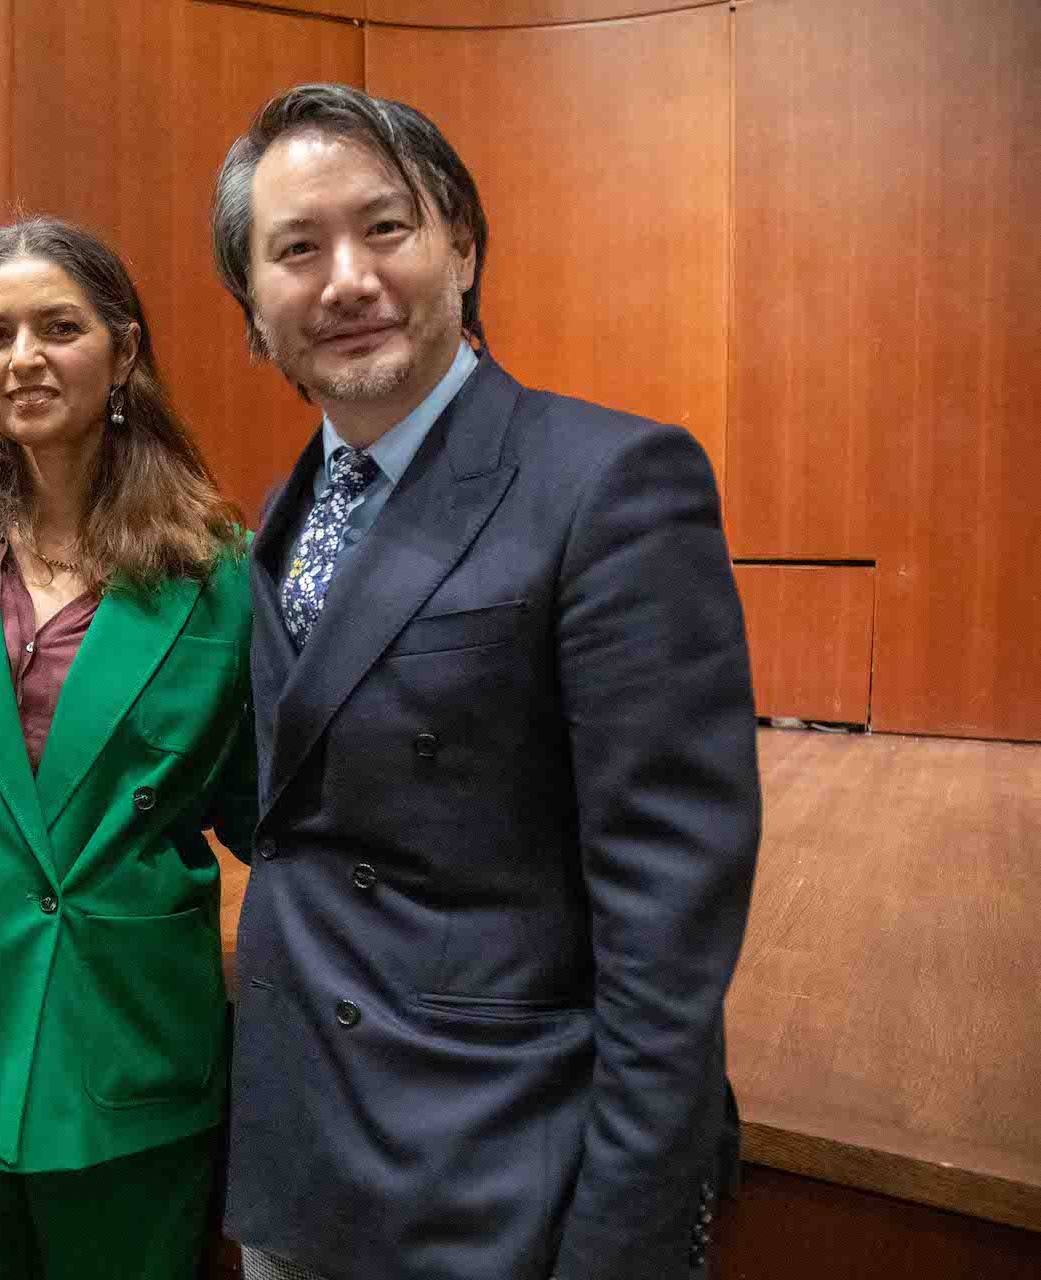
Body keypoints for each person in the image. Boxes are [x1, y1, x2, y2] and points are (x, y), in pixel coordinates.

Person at [209, 85, 760, 1280]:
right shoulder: (287, 508)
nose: (346, 279)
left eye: (386, 229)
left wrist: (629, 1236)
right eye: (296, 250)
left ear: (461, 239)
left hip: (503, 1170)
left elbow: (668, 924)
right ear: (253, 309)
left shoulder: (612, 482)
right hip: (304, 1158)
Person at [0, 216, 255, 1280]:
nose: (23, 358)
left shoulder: (218, 568)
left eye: (59, 327)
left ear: (124, 352)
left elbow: (269, 803)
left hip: (125, 1032)